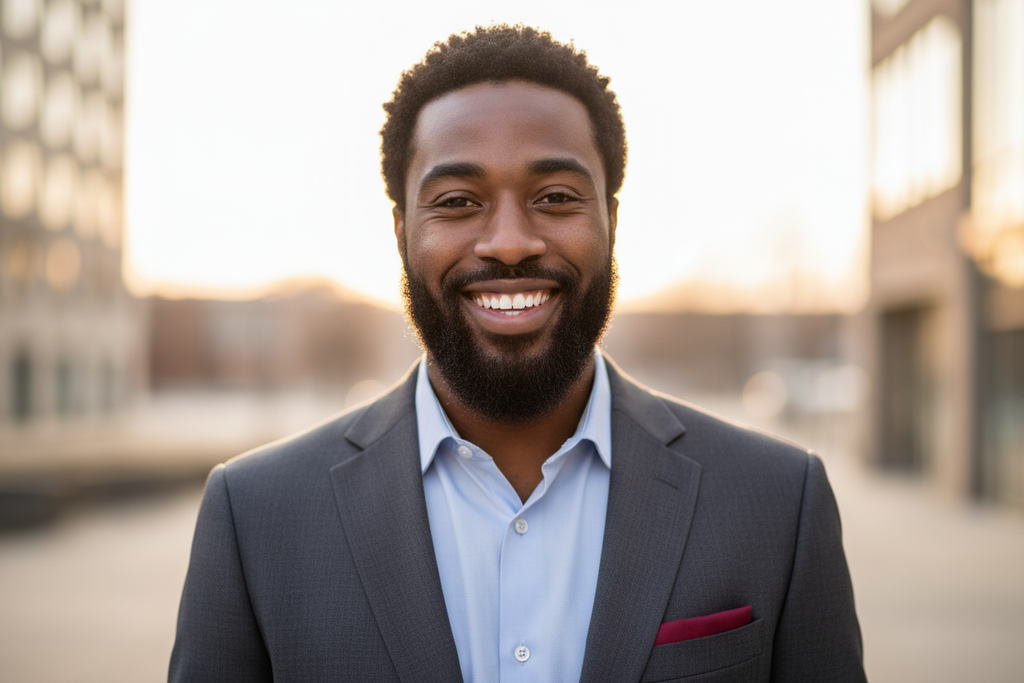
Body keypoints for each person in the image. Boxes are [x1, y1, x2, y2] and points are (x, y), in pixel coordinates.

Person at [170, 24, 866, 683]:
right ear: (401, 231)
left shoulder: (778, 501)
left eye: (556, 196)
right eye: (457, 201)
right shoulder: (255, 515)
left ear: (611, 221)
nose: (508, 242)